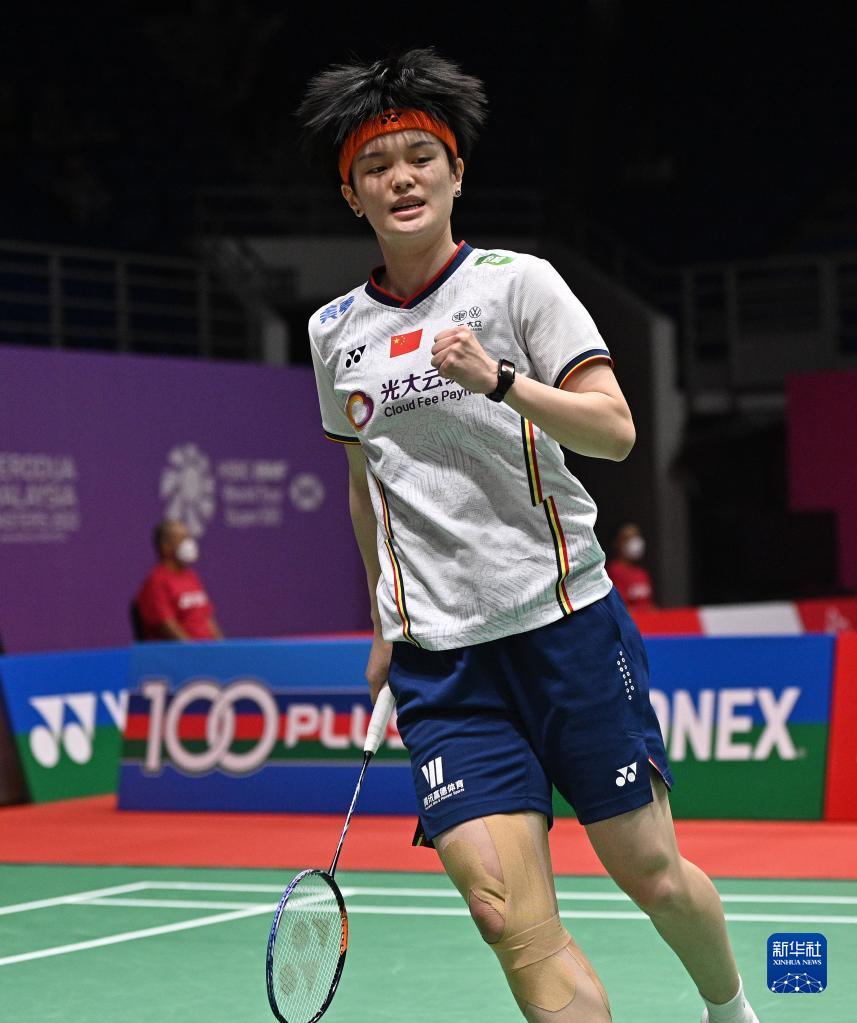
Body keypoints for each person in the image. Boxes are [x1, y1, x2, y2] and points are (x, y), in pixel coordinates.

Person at [297, 48, 758, 1023]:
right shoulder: (333, 330)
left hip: (563, 626)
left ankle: (727, 1009)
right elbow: (363, 484)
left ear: (456, 173)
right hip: (442, 662)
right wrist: (382, 619)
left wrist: (500, 381)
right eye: (376, 167)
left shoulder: (518, 285)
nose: (401, 179)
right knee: (505, 915)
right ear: (351, 195)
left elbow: (614, 429)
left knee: (651, 873)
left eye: (420, 158)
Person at [135, 520, 223, 641]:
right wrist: (195, 651)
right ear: (165, 546)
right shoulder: (156, 582)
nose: (190, 544)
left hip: (207, 649)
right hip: (181, 651)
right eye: (182, 539)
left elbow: (208, 619)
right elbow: (168, 627)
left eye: (189, 538)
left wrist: (222, 648)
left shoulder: (191, 576)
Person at [606, 521, 656, 610]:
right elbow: (618, 606)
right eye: (628, 538)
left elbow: (649, 604)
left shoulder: (642, 572)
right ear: (617, 543)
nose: (634, 542)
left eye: (636, 536)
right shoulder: (613, 571)